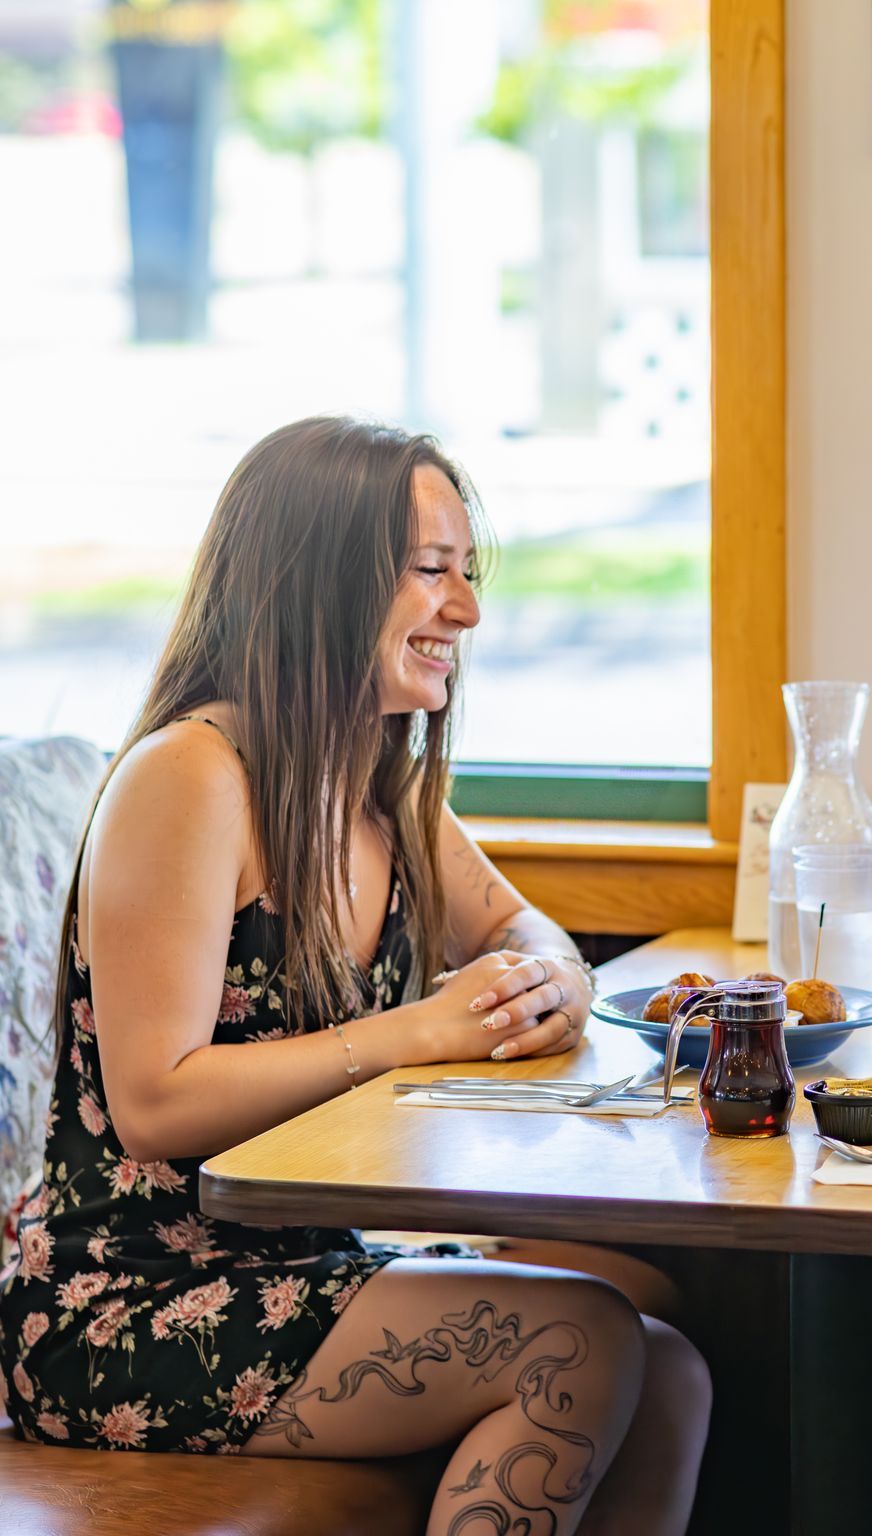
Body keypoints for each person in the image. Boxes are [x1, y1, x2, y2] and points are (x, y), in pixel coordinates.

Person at [0, 417, 710, 1536]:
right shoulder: (190, 776)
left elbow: (529, 928)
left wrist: (555, 983)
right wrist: (417, 1032)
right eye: (433, 572)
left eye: (468, 577)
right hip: (132, 1299)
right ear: (317, 579)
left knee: (670, 1366)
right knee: (579, 1341)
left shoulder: (376, 788)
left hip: (305, 1260)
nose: (466, 612)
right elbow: (153, 1101)